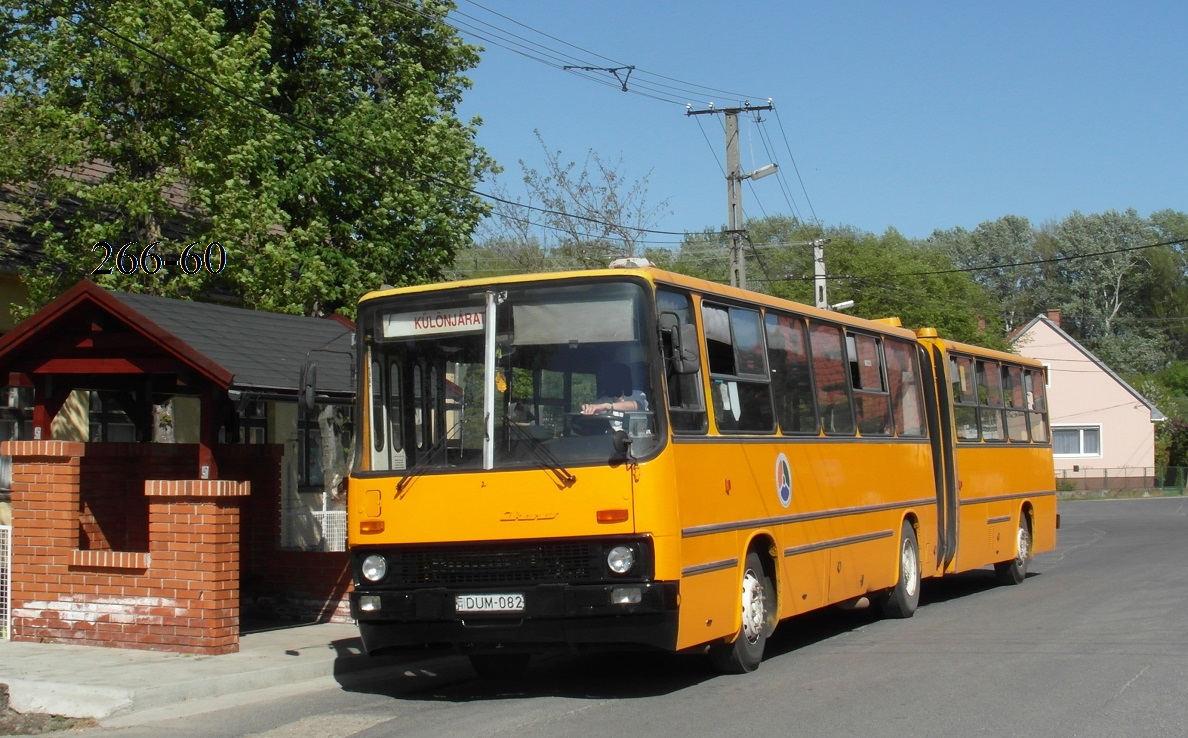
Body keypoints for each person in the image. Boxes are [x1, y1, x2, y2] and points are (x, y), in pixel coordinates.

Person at [581, 362, 648, 415]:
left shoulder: (637, 394)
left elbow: (637, 406)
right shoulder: (602, 401)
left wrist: (606, 406)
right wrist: (588, 409)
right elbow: (595, 410)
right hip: (610, 432)